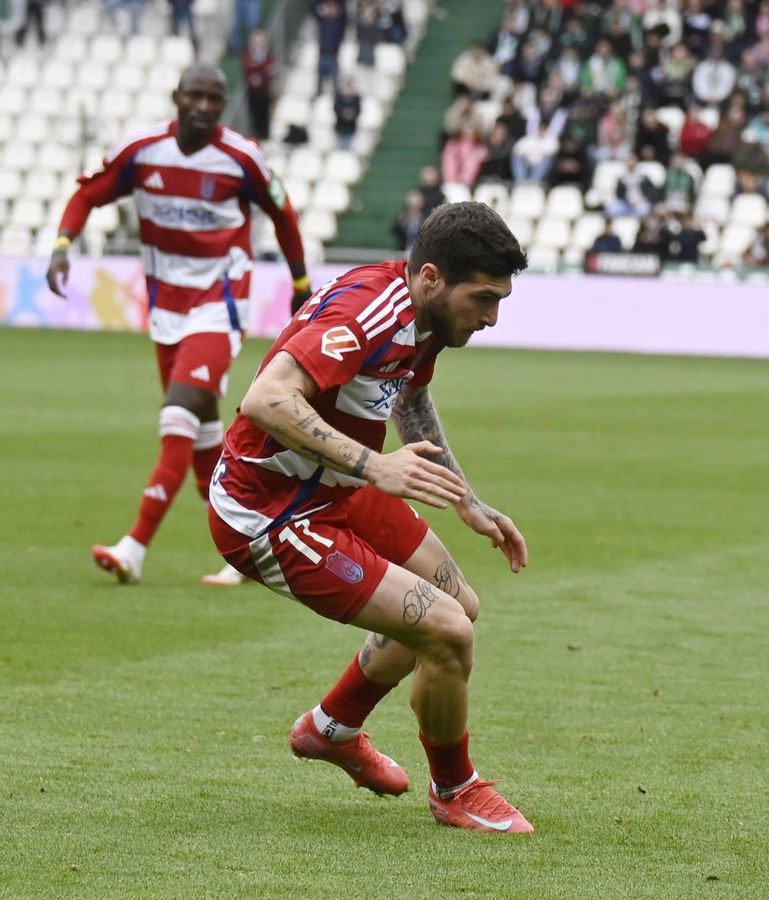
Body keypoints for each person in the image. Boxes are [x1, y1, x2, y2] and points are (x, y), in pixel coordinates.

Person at [208, 201, 535, 833]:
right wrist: (374, 465)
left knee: (458, 606)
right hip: (271, 510)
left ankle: (330, 729)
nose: (491, 317)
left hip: (334, 486)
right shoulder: (368, 310)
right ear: (432, 277)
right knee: (447, 632)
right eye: (484, 298)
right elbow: (266, 398)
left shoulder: (424, 317)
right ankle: (456, 790)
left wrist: (466, 499)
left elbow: (409, 396)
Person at [46, 63, 311, 587]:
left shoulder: (240, 158)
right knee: (204, 436)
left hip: (220, 303)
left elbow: (284, 214)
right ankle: (256, 544)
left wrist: (301, 284)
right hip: (166, 309)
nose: (205, 107)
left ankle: (134, 546)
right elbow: (87, 194)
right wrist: (62, 244)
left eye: (215, 99)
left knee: (177, 414)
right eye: (196, 96)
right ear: (177, 97)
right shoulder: (143, 151)